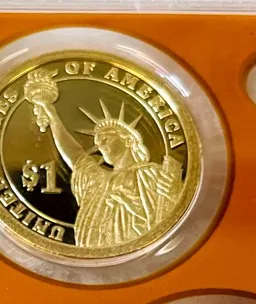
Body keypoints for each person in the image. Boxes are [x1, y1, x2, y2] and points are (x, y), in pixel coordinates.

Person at [24, 70, 183, 250]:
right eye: (97, 143)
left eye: (105, 139)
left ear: (128, 140)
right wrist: (51, 113)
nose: (99, 146)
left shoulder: (149, 174)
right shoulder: (98, 179)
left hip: (137, 253)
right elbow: (74, 153)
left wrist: (171, 194)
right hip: (90, 254)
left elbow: (166, 217)